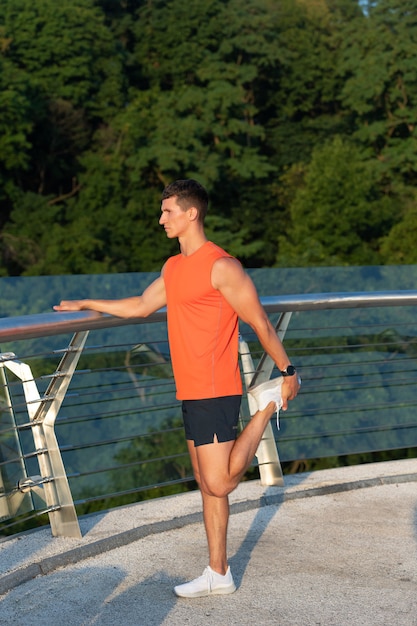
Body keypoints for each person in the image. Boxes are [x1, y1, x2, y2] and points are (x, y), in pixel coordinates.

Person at [54, 179, 300, 598]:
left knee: (219, 483)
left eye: (168, 211)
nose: (161, 218)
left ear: (192, 214)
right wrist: (88, 304)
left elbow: (258, 321)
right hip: (189, 388)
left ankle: (266, 407)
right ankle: (218, 572)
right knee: (207, 486)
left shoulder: (222, 266)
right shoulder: (174, 267)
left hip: (216, 387)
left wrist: (287, 370)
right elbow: (140, 306)